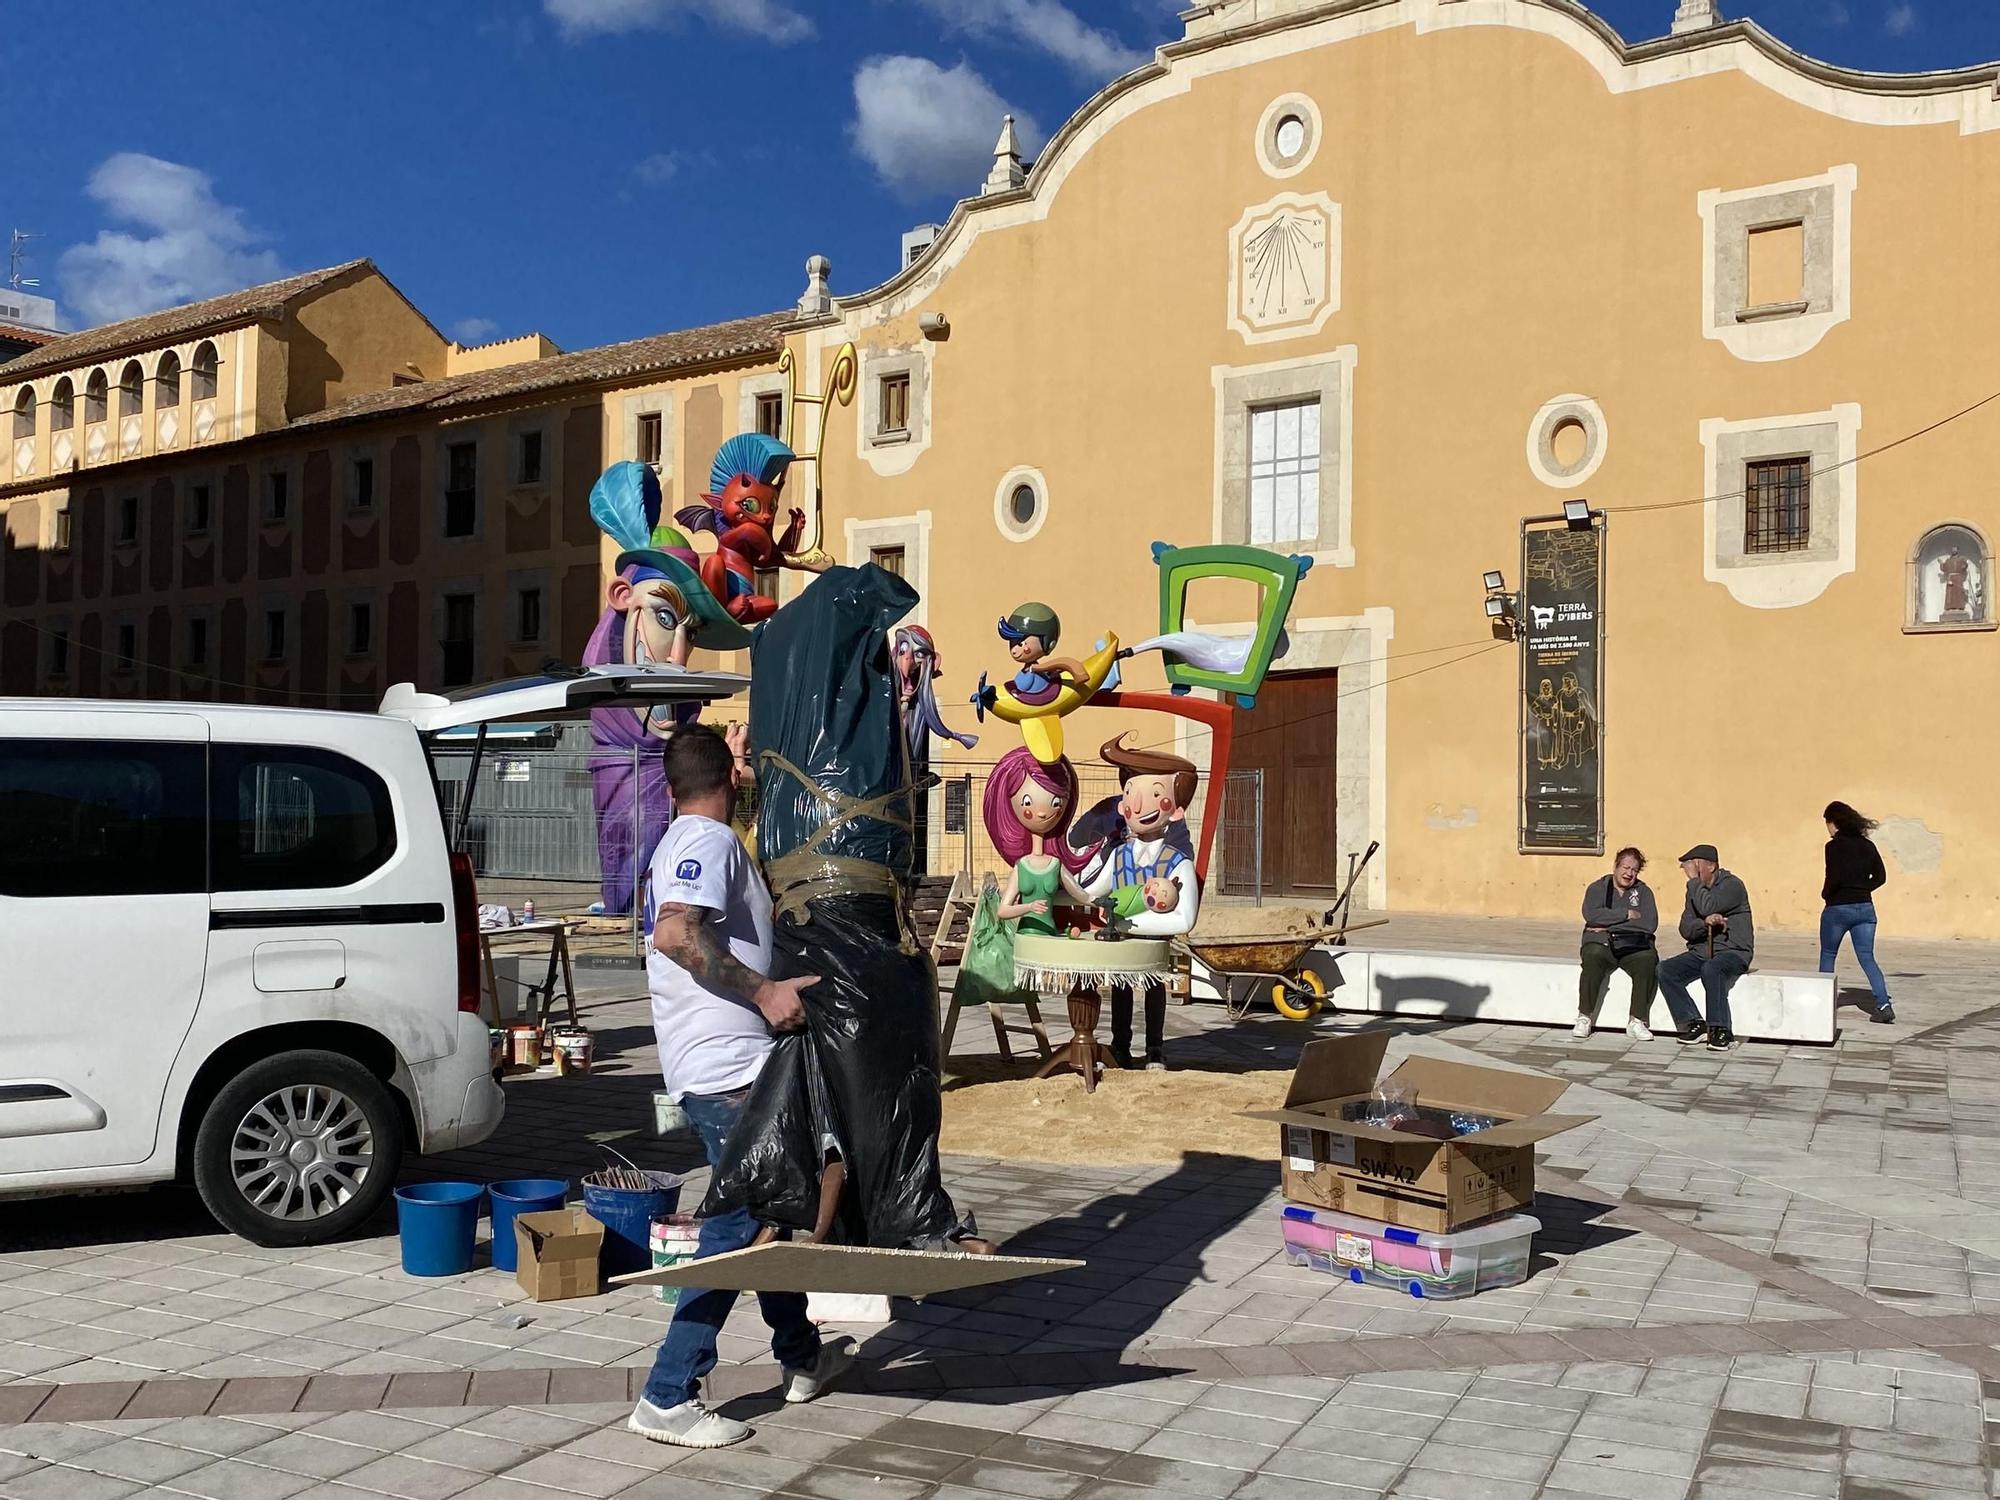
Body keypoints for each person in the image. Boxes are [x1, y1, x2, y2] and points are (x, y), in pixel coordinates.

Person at [629, 724, 852, 1451]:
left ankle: (802, 1356)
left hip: (719, 1067)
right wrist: (763, 993)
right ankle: (667, 1395)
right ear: (731, 779)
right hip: (724, 1071)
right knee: (735, 1232)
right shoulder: (707, 841)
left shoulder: (685, 837)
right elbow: (676, 934)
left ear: (667, 788)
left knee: (762, 1219)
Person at [1076, 735, 1200, 1069]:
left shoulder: (1178, 862)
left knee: (1153, 987)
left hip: (1151, 943)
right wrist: (1053, 881)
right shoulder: (1118, 856)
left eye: (1156, 796)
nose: (1140, 805)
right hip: (1123, 944)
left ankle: (1156, 1049)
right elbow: (1091, 890)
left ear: (1175, 809)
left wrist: (1129, 923)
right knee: (1120, 989)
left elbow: (1185, 918)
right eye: (1131, 795)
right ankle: (1120, 1046)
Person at [1655, 843, 1754, 1051]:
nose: (1690, 871)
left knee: (1713, 968)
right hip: (1702, 952)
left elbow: (1709, 905)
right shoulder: (1694, 890)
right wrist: (1703, 923)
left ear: (1710, 866)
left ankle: (1719, 1029)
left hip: (1733, 952)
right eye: (1688, 867)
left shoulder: (1732, 886)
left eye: (1694, 865)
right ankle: (1693, 1022)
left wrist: (1693, 882)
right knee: (1665, 969)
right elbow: (1685, 928)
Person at [1820, 800, 1894, 1024]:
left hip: (1838, 908)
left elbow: (1833, 878)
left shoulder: (1833, 847)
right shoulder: (1867, 846)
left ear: (1835, 822)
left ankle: (1822, 1004)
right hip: (1865, 908)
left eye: (1828, 823)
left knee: (1828, 955)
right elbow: (1880, 877)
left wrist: (1826, 895)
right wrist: (1862, 889)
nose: (1828, 828)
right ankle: (1883, 1004)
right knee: (1867, 958)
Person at [1575, 846, 1659, 1041]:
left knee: (1648, 960)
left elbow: (1648, 924)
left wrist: (1608, 927)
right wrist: (1626, 914)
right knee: (1592, 955)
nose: (1629, 874)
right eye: (1626, 867)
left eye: (1634, 870)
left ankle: (1637, 1020)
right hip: (1602, 945)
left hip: (1632, 946)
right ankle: (1584, 1016)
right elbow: (1592, 915)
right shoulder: (1598, 888)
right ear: (1615, 866)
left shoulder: (1644, 892)